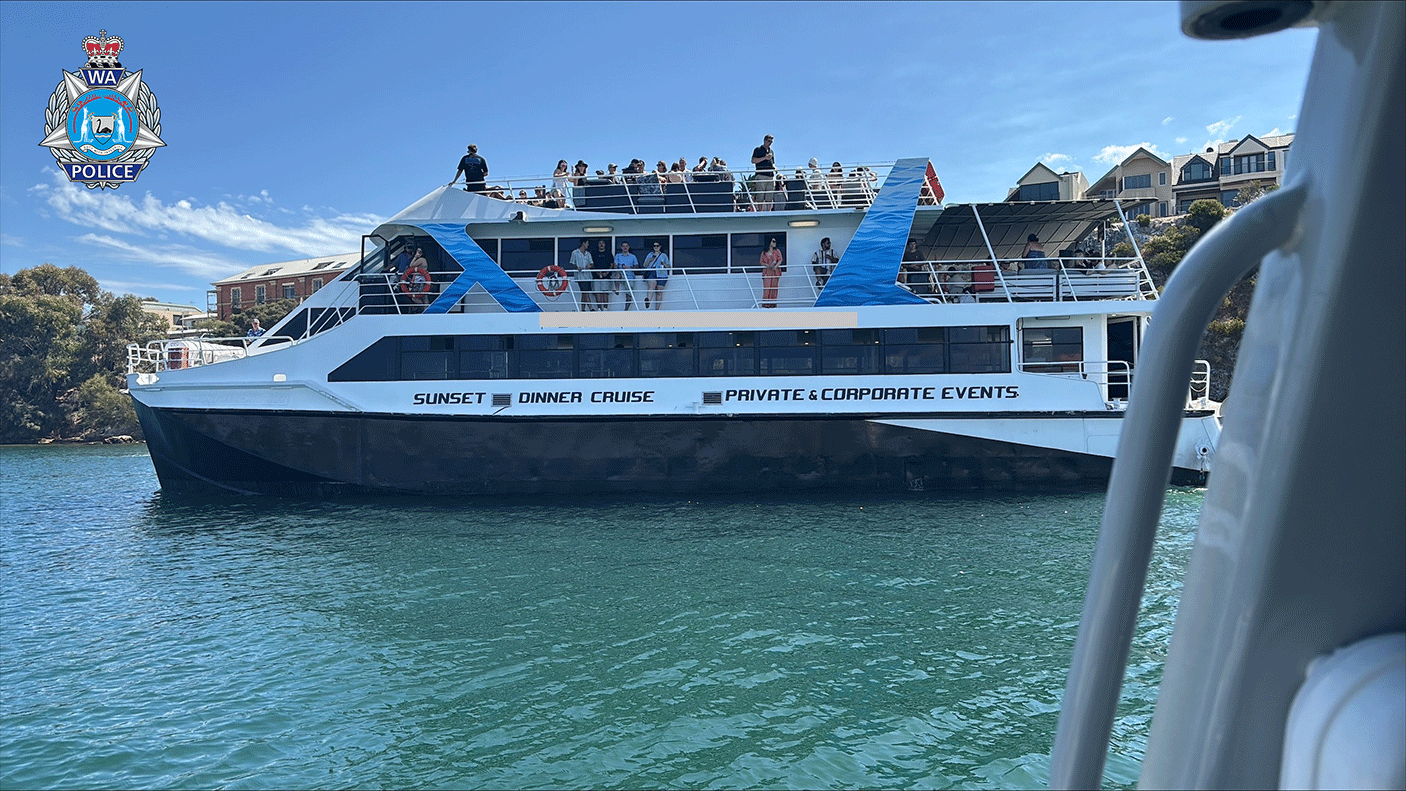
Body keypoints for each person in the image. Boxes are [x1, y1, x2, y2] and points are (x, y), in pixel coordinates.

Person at [751, 134, 776, 210]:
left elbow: (773, 162)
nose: (770, 143)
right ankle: (760, 210)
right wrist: (765, 158)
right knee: (760, 194)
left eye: (771, 142)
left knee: (769, 195)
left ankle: (768, 211)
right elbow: (753, 160)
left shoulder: (771, 151)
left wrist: (775, 168)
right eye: (769, 141)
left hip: (770, 175)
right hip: (761, 174)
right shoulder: (758, 149)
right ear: (764, 141)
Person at [642, 241, 670, 309]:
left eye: (657, 246)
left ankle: (657, 309)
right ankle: (648, 300)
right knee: (651, 286)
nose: (656, 247)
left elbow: (669, 267)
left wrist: (664, 264)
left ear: (660, 247)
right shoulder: (650, 255)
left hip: (661, 273)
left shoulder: (664, 255)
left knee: (659, 292)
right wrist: (650, 260)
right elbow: (645, 265)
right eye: (654, 246)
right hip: (652, 272)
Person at [569, 239, 593, 309]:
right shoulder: (575, 253)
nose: (588, 245)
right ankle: (591, 308)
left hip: (588, 276)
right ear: (583, 243)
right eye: (587, 243)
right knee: (585, 292)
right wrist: (577, 268)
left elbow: (592, 263)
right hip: (580, 276)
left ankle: (583, 309)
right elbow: (571, 263)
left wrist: (590, 266)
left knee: (584, 292)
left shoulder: (588, 254)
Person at [760, 236, 784, 308]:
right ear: (769, 242)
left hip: (775, 271)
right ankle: (766, 304)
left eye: (775, 241)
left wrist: (775, 266)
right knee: (767, 288)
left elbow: (780, 260)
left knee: (774, 288)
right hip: (767, 271)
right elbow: (761, 262)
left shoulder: (777, 251)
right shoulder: (764, 252)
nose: (775, 243)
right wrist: (768, 265)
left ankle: (773, 304)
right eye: (773, 241)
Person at [614, 241, 639, 309]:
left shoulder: (633, 256)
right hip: (621, 275)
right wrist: (618, 268)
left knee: (629, 295)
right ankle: (617, 289)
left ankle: (626, 309)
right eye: (623, 246)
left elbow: (636, 267)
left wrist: (629, 268)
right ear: (621, 247)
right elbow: (615, 265)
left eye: (626, 246)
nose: (625, 248)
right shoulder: (618, 256)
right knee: (617, 273)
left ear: (628, 247)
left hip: (630, 276)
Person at [591, 239, 613, 310]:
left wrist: (606, 273)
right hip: (596, 276)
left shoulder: (608, 253)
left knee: (605, 292)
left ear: (605, 244)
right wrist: (598, 273)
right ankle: (600, 308)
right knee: (597, 292)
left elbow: (612, 265)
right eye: (600, 243)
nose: (601, 244)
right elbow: (592, 265)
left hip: (606, 276)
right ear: (598, 245)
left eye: (603, 243)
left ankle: (605, 308)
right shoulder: (594, 253)